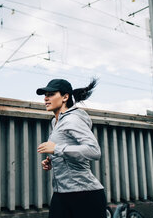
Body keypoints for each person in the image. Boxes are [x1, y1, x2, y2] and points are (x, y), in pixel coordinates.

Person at [36, 78, 106, 218]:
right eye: (45, 95)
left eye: (51, 94)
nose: (46, 99)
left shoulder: (72, 119)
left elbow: (94, 151)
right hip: (61, 193)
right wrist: (53, 159)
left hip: (84, 195)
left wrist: (57, 149)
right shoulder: (55, 122)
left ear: (65, 97)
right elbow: (67, 148)